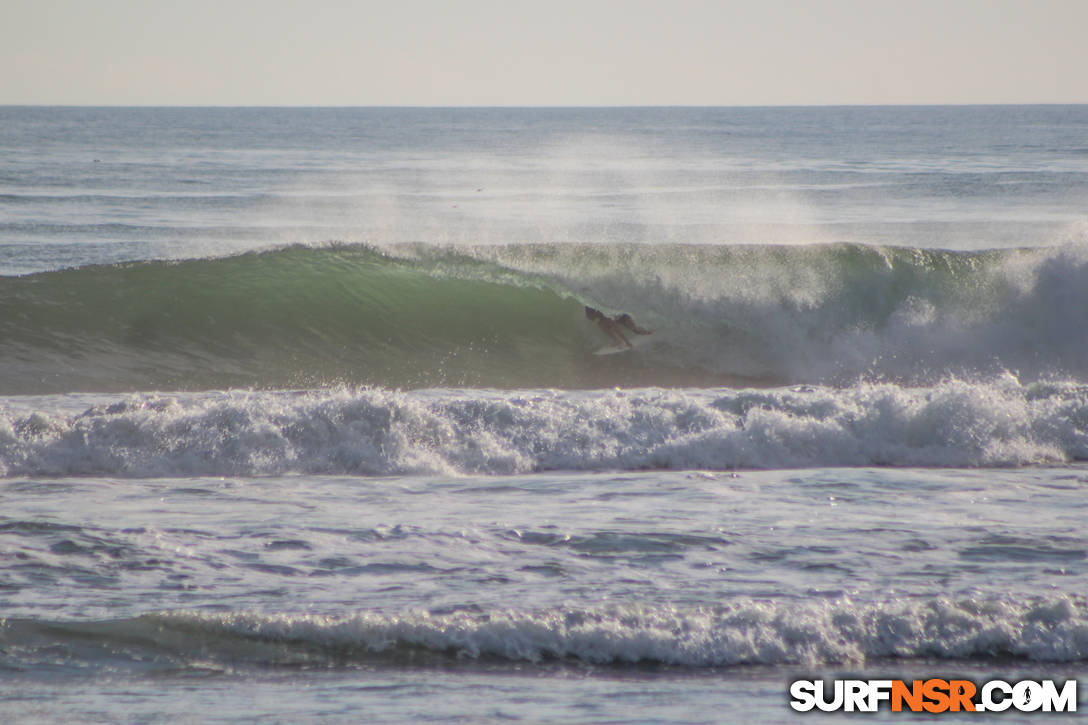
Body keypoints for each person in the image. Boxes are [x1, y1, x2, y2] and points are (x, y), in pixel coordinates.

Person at [585, 306, 652, 348]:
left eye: (589, 315)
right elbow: (591, 317)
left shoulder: (603, 317)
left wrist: (627, 342)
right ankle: (619, 341)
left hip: (621, 316)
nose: (589, 317)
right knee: (635, 330)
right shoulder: (601, 319)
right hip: (618, 317)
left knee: (635, 330)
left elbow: (617, 330)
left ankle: (647, 331)